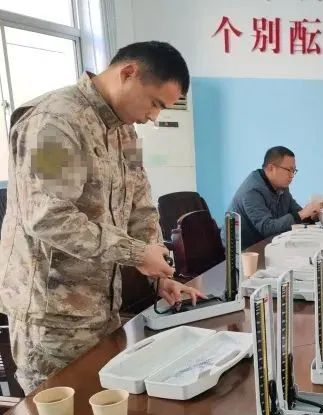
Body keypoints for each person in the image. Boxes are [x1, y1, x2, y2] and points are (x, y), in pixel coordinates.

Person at [0, 41, 203, 394]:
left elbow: (141, 204)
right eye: (155, 103)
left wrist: (158, 274)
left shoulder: (125, 131)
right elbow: (49, 217)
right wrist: (136, 254)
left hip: (103, 307)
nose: (153, 116)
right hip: (53, 317)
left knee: (105, 408)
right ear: (128, 73)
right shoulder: (55, 122)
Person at [228, 146, 321, 249]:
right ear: (271, 168)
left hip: (267, 244)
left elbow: (296, 212)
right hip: (243, 250)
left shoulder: (282, 187)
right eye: (289, 170)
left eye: (294, 171)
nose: (292, 175)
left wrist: (312, 215)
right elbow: (267, 228)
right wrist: (302, 214)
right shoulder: (252, 191)